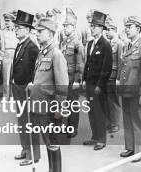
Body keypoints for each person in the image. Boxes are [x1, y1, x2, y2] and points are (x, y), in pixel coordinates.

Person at [20, 17, 69, 167]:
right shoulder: (42, 54)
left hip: (48, 108)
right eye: (37, 31)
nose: (37, 34)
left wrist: (59, 109)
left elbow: (62, 84)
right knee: (47, 140)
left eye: (41, 31)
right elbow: (42, 78)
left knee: (51, 142)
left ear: (50, 34)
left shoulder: (56, 54)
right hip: (38, 105)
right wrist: (33, 86)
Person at [117, 15, 141, 162]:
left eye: (130, 27)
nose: (126, 30)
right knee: (128, 120)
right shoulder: (127, 46)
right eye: (126, 27)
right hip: (126, 91)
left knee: (138, 121)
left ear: (138, 29)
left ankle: (139, 151)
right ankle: (130, 148)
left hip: (137, 92)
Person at [82, 10, 112, 151]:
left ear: (101, 28)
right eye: (91, 25)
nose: (92, 28)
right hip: (89, 84)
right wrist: (83, 79)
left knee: (99, 112)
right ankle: (94, 137)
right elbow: (87, 63)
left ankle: (101, 139)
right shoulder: (89, 44)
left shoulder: (105, 45)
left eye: (95, 26)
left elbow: (107, 68)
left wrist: (100, 85)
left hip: (98, 86)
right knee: (91, 111)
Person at [11, 10, 40, 161]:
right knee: (22, 121)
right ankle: (25, 149)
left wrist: (31, 86)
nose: (16, 30)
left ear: (28, 30)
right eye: (15, 27)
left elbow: (37, 71)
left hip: (27, 91)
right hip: (18, 89)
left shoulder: (32, 47)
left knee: (29, 122)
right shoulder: (20, 45)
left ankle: (32, 155)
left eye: (19, 28)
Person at [58, 8, 84, 138]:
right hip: (64, 79)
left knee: (73, 104)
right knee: (65, 103)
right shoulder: (63, 42)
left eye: (67, 26)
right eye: (64, 26)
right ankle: (67, 126)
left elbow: (80, 64)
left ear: (73, 28)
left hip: (72, 78)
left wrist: (77, 80)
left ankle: (73, 128)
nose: (65, 28)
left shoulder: (77, 43)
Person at [104, 15, 123, 134]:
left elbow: (121, 62)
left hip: (114, 77)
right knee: (107, 101)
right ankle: (110, 123)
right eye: (106, 29)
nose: (107, 32)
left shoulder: (119, 44)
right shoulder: (107, 44)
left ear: (115, 30)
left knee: (114, 102)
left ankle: (115, 124)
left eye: (109, 29)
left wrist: (119, 78)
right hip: (107, 77)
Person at [1, 11, 18, 99]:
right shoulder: (3, 32)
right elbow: (2, 46)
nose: (6, 23)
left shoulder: (17, 31)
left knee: (14, 77)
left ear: (13, 21)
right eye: (5, 21)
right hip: (6, 54)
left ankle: (12, 96)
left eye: (8, 21)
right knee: (6, 78)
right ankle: (5, 96)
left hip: (16, 54)